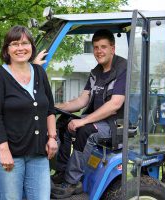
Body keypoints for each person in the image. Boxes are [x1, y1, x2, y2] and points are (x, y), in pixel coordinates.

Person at [0, 25, 58, 200]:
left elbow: (49, 109)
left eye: (25, 43)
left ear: (31, 47)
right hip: (9, 154)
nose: (20, 48)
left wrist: (52, 138)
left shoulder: (39, 72)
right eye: (15, 44)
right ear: (7, 49)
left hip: (38, 153)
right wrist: (3, 150)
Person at [51, 29, 127, 198]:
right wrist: (54, 106)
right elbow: (82, 101)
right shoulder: (96, 72)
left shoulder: (123, 69)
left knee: (86, 131)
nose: (99, 51)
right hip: (99, 120)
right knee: (63, 122)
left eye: (103, 47)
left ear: (112, 49)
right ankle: (62, 171)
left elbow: (115, 105)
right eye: (95, 47)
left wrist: (83, 122)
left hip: (115, 124)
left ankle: (72, 182)